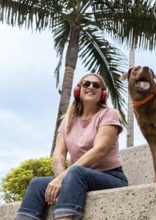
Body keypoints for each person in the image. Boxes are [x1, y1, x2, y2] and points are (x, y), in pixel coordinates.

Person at [16, 73, 128, 220]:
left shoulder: (109, 114)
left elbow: (100, 150)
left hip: (110, 177)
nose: (91, 87)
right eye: (86, 83)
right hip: (74, 177)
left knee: (76, 172)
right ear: (78, 90)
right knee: (37, 183)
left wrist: (64, 177)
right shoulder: (68, 119)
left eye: (96, 85)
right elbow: (58, 155)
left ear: (103, 93)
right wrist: (60, 179)